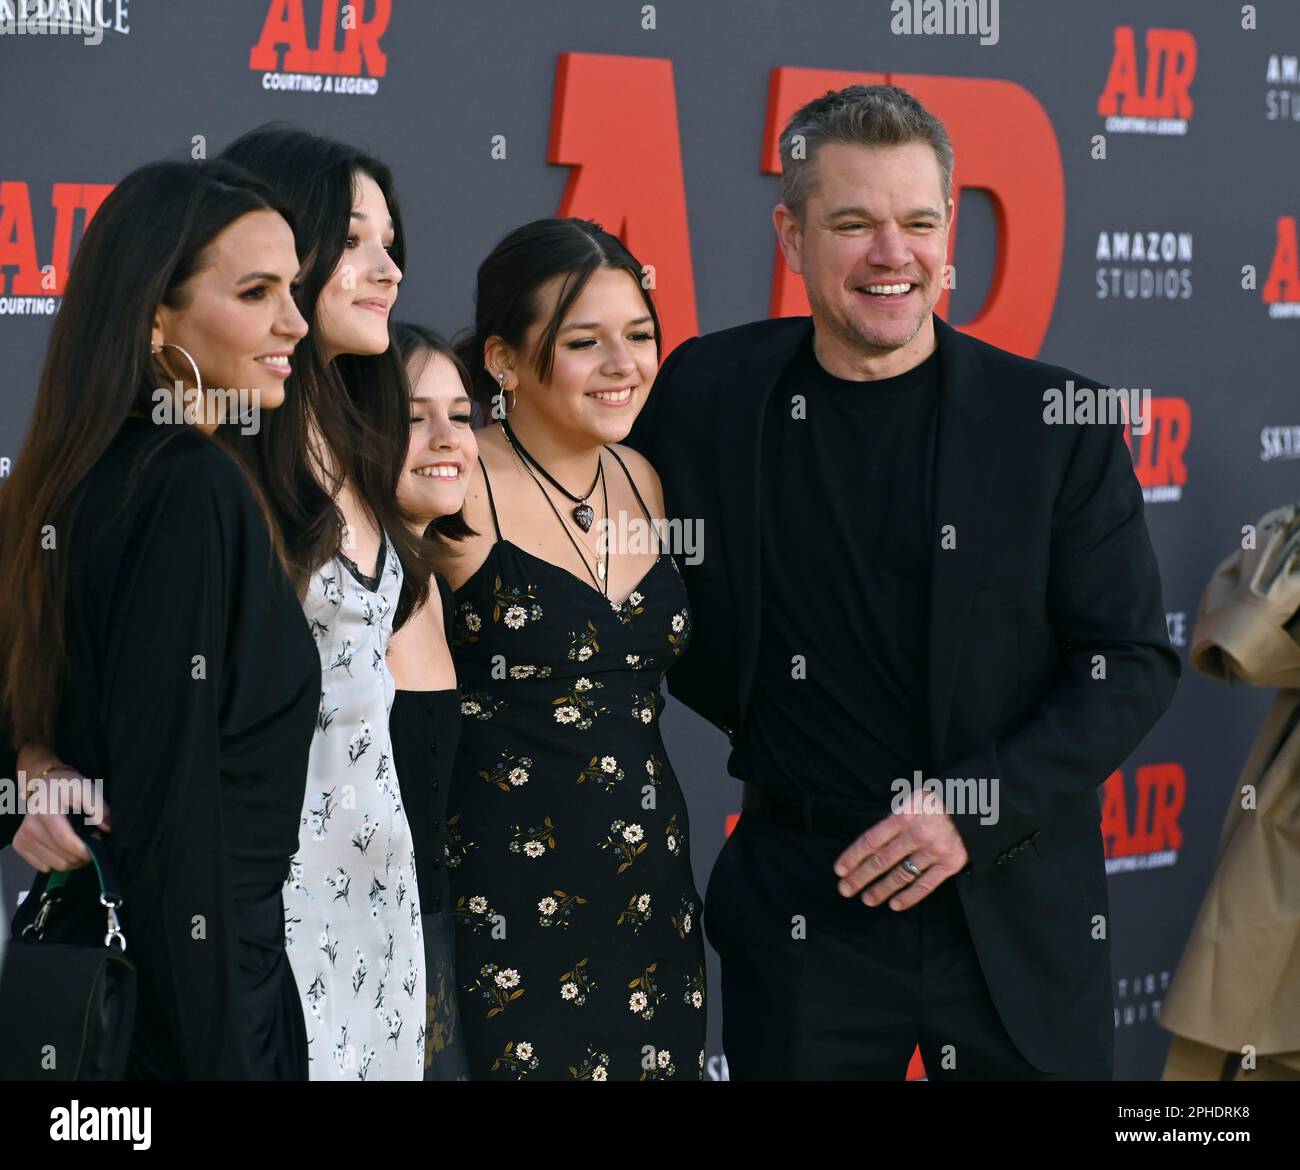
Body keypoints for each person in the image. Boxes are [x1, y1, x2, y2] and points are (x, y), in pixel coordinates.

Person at [627, 84, 1181, 1080]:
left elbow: (1129, 661)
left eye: (919, 222)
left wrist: (969, 807)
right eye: (854, 223)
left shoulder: (1054, 421)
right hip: (805, 905)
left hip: (1009, 905)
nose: (893, 254)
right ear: (790, 237)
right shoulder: (708, 390)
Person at [0, 159, 317, 1078]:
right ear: (154, 319)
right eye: (255, 293)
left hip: (98, 974)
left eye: (292, 288)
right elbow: (174, 810)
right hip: (191, 995)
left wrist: (31, 761)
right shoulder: (191, 488)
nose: (292, 322)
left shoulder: (75, 482)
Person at [440, 219, 707, 1080]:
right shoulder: (451, 480)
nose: (624, 363)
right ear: (504, 362)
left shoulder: (645, 476)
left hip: (651, 893)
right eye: (584, 342)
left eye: (639, 335)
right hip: (502, 897)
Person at [219, 126, 437, 1081]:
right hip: (257, 900)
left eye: (391, 242)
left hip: (381, 892)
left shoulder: (371, 442)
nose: (386, 269)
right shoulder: (211, 454)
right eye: (353, 240)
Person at [387, 322, 478, 1079]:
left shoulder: (433, 578)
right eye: (414, 417)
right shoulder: (331, 586)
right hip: (350, 947)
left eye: (460, 413)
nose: (447, 437)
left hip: (434, 941)